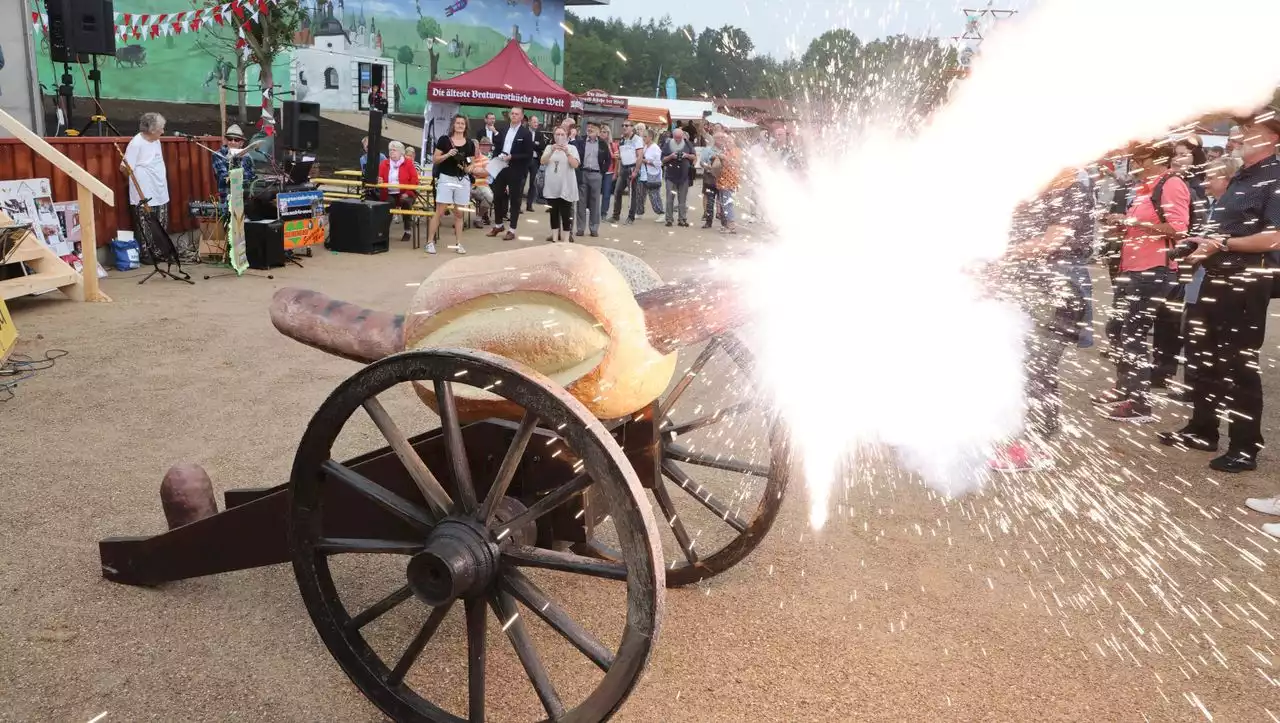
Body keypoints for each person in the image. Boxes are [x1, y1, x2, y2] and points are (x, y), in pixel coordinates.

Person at [1159, 108, 1280, 472]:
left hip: (1246, 283)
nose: (1238, 136)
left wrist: (1222, 244)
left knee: (1239, 364)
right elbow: (1228, 232)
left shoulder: (1275, 178)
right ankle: (1202, 429)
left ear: (1273, 137)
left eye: (1248, 130)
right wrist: (1201, 242)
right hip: (1215, 279)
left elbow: (1274, 237)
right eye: (1240, 129)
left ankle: (1245, 447)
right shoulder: (1241, 177)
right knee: (1204, 358)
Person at [988, 168, 1095, 471]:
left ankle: (1034, 447)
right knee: (1025, 366)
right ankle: (1024, 437)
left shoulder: (1072, 189)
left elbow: (1051, 242)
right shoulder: (1040, 191)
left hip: (1056, 289)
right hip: (1030, 287)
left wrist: (1001, 253)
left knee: (1037, 369)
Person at [1093, 142, 1190, 423]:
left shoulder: (1171, 184)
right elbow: (1139, 223)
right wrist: (1122, 223)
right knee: (1117, 329)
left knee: (1133, 334)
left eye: (1139, 156)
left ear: (1156, 157)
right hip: (1132, 269)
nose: (1133, 161)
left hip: (1154, 270)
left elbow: (1179, 229)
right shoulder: (1144, 186)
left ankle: (1140, 403)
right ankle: (1125, 389)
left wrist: (1131, 220)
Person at [1152, 137, 1208, 390]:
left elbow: (1199, 225)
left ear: (1196, 157)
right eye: (1174, 154)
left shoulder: (1198, 186)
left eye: (1184, 154)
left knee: (1177, 318)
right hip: (1170, 255)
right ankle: (1161, 369)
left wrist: (1188, 252)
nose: (1177, 159)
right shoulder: (1168, 181)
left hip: (1190, 258)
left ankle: (1166, 370)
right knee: (1165, 317)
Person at [121, 112, 171, 264]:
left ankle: (161, 252)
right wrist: (134, 182)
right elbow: (124, 167)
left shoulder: (156, 141)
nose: (163, 131)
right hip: (143, 191)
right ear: (151, 129)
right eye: (161, 128)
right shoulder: (136, 143)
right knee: (145, 223)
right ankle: (146, 254)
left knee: (161, 222)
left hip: (160, 189)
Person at [425, 114, 474, 255]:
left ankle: (459, 243)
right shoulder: (444, 140)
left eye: (462, 124)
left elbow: (471, 162)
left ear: (465, 126)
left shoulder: (469, 143)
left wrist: (469, 168)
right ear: (453, 125)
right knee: (439, 211)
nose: (460, 125)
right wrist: (448, 154)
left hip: (462, 180)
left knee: (459, 214)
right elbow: (435, 159)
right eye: (458, 123)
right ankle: (429, 242)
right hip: (446, 178)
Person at [486, 107, 534, 241]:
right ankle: (498, 225)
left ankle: (512, 229)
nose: (513, 116)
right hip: (501, 166)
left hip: (515, 169)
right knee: (497, 196)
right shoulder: (503, 128)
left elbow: (528, 155)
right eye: (512, 113)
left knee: (514, 199)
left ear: (522, 116)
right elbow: (498, 145)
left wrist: (512, 157)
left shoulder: (525, 133)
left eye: (516, 114)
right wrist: (496, 157)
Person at [540, 126, 580, 243]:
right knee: (553, 212)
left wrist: (567, 153)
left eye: (562, 134)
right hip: (552, 185)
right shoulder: (549, 147)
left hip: (566, 185)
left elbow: (575, 165)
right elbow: (543, 161)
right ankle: (554, 238)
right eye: (557, 134)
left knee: (566, 213)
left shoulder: (572, 148)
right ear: (554, 136)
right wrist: (552, 150)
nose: (560, 137)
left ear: (567, 136)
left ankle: (566, 239)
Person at [572, 121, 608, 238]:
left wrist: (602, 172)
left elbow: (608, 160)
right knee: (581, 202)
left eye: (593, 127)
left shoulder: (602, 144)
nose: (590, 129)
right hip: (583, 173)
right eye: (589, 127)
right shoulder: (581, 141)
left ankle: (594, 228)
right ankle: (580, 229)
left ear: (598, 131)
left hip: (596, 175)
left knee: (595, 202)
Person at [378, 141, 420, 243]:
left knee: (406, 202)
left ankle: (407, 230)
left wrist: (408, 192)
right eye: (390, 150)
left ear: (401, 152)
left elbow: (414, 180)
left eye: (394, 150)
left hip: (406, 192)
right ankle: (384, 232)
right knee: (388, 204)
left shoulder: (409, 163)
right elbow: (379, 178)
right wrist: (379, 180)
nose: (392, 152)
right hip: (389, 193)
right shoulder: (384, 164)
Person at [661, 127, 697, 227]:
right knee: (669, 199)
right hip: (671, 176)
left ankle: (682, 219)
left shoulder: (688, 143)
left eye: (680, 137)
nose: (678, 139)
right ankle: (669, 219)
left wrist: (687, 155)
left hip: (684, 176)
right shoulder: (668, 144)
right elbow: (662, 159)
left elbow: (694, 157)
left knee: (682, 200)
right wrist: (671, 156)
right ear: (673, 136)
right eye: (676, 137)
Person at [211, 124, 255, 202]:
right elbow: (224, 177)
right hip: (227, 198)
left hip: (245, 198)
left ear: (241, 143)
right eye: (230, 139)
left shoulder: (247, 156)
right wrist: (235, 164)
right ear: (225, 141)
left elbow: (250, 177)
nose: (233, 142)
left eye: (236, 140)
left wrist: (238, 164)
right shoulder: (218, 155)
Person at [611, 121, 644, 223]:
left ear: (632, 127)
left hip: (632, 168)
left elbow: (640, 156)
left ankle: (631, 217)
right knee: (617, 191)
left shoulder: (637, 139)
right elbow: (622, 155)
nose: (624, 127)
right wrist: (617, 170)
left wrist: (636, 170)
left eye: (626, 125)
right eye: (623, 125)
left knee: (632, 194)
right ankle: (615, 215)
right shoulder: (622, 139)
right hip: (624, 168)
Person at [710, 132, 741, 234]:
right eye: (726, 141)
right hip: (722, 180)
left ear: (733, 143)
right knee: (723, 204)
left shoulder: (736, 151)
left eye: (729, 142)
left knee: (728, 203)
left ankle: (731, 225)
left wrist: (724, 158)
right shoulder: (724, 150)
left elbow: (736, 163)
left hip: (730, 181)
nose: (727, 143)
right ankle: (728, 225)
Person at [638, 129, 665, 219]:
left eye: (645, 136)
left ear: (650, 137)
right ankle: (639, 212)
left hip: (652, 175)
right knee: (641, 194)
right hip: (643, 174)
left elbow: (658, 163)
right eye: (643, 136)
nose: (643, 138)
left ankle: (661, 213)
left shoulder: (655, 148)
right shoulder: (645, 146)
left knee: (654, 195)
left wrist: (645, 161)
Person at [470, 137, 494, 228]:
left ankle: (478, 218)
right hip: (467, 186)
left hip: (482, 186)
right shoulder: (466, 158)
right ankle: (459, 219)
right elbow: (463, 171)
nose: (473, 150)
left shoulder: (485, 159)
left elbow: (487, 172)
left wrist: (472, 170)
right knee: (457, 197)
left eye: (474, 148)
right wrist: (479, 170)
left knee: (489, 197)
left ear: (478, 147)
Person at [525, 114, 546, 212]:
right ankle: (517, 206)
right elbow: (525, 145)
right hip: (525, 159)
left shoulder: (539, 134)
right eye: (534, 122)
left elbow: (542, 146)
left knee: (533, 183)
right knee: (522, 182)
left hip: (535, 160)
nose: (536, 124)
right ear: (529, 122)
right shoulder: (524, 132)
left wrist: (532, 144)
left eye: (537, 122)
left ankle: (529, 204)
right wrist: (534, 144)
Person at [600, 124, 617, 219]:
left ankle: (603, 212)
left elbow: (617, 160)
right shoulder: (596, 143)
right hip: (598, 171)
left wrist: (615, 172)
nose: (602, 134)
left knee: (606, 194)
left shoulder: (612, 145)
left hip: (609, 172)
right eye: (601, 132)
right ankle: (595, 211)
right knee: (596, 193)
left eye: (604, 132)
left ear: (608, 133)